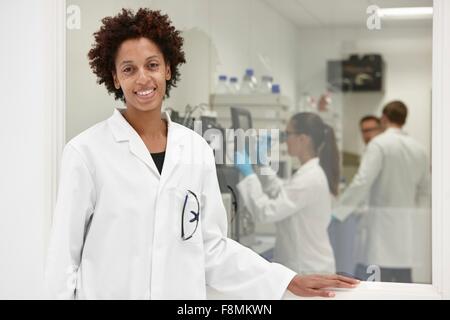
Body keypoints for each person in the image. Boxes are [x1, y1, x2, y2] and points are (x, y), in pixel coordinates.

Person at [44, 8, 358, 299]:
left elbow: (211, 247)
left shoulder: (195, 148)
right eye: (129, 69)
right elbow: (63, 261)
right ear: (115, 77)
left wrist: (284, 280)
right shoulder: (86, 153)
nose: (143, 78)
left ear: (168, 69)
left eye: (152, 65)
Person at [334, 101, 430, 283]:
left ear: (384, 118)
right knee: (404, 285)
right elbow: (425, 192)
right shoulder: (420, 150)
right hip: (407, 231)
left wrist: (339, 212)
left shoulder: (379, 145)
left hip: (381, 231)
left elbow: (361, 182)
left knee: (378, 285)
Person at [234, 113, 339, 275]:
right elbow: (282, 192)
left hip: (307, 269)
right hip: (305, 265)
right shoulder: (308, 173)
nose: (284, 140)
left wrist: (249, 176)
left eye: (287, 134)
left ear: (303, 139)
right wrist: (262, 163)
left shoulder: (309, 178)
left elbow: (265, 212)